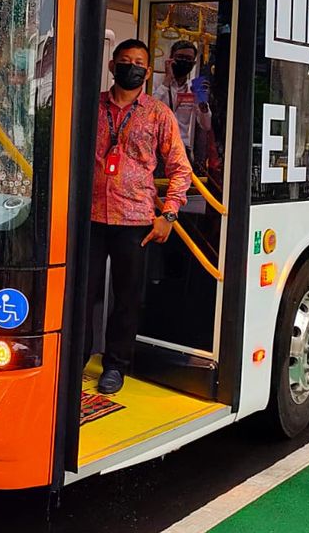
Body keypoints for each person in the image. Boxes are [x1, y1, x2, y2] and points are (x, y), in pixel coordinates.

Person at [86, 38, 192, 395]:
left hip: (135, 221)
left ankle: (115, 366)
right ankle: (75, 358)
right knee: (80, 294)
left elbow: (181, 169)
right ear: (113, 65)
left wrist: (169, 215)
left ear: (147, 73)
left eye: (139, 63)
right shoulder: (90, 105)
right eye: (125, 60)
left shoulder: (158, 114)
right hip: (88, 218)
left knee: (126, 299)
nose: (131, 66)